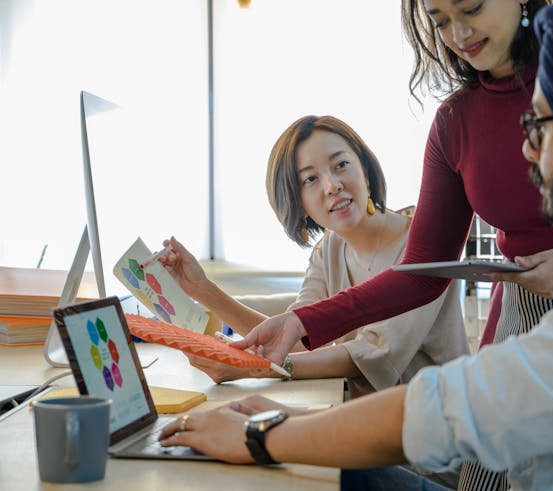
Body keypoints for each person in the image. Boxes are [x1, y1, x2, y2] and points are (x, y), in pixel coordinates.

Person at [159, 6, 553, 489]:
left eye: (537, 128)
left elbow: (438, 412)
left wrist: (263, 435)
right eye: (441, 19)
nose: (524, 152)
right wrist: (291, 376)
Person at [159, 115, 468, 398]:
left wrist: (257, 368)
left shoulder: (425, 245)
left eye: (341, 165)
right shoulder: (328, 251)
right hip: (362, 421)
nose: (333, 185)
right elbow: (294, 339)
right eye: (310, 179)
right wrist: (202, 290)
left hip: (434, 432)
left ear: (366, 171)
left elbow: (374, 353)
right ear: (299, 204)